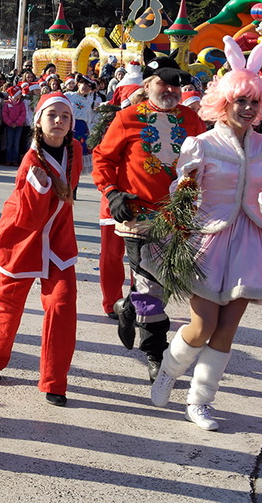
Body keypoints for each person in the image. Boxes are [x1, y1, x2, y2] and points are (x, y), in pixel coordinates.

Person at [149, 37, 262, 430]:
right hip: (207, 238)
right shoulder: (203, 143)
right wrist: (185, 185)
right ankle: (168, 371)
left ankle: (199, 402)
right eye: (240, 101)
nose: (248, 109)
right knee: (203, 325)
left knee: (227, 329)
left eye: (253, 102)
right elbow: (181, 192)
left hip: (248, 240)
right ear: (224, 102)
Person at [92, 53, 206, 382]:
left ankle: (127, 309)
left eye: (175, 84)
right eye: (163, 82)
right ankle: (155, 351)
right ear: (147, 84)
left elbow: (205, 161)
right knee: (148, 287)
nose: (170, 89)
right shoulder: (127, 118)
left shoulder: (191, 120)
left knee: (160, 284)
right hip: (137, 217)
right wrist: (112, 192)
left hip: (178, 217)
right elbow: (102, 158)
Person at [0, 92, 82, 406]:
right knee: (9, 300)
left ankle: (54, 380)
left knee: (63, 305)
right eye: (52, 115)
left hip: (58, 241)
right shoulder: (31, 161)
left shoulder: (75, 150)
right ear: (38, 121)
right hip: (22, 238)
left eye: (65, 117)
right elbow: (27, 217)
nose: (59, 121)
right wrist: (38, 191)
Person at [1, 85, 26, 165]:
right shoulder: (7, 103)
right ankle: (8, 159)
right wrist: (10, 123)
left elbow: (23, 114)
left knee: (16, 143)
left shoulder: (21, 104)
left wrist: (17, 123)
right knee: (10, 143)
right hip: (10, 126)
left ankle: (15, 160)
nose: (20, 95)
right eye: (19, 94)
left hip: (19, 126)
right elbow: (4, 114)